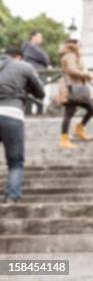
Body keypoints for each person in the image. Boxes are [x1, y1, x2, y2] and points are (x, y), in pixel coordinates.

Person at [0, 48, 45, 203]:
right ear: (18, 57)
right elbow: (41, 93)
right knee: (15, 162)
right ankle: (12, 197)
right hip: (12, 113)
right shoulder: (24, 67)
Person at [57, 39, 93, 149]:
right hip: (71, 88)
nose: (81, 48)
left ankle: (77, 130)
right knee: (70, 112)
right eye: (80, 45)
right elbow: (71, 70)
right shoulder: (70, 55)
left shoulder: (70, 55)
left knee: (91, 108)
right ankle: (64, 139)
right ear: (75, 45)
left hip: (74, 87)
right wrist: (86, 75)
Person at [21, 31, 50, 115]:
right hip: (35, 73)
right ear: (33, 37)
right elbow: (45, 58)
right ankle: (34, 113)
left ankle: (34, 113)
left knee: (36, 94)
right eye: (39, 37)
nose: (41, 39)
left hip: (37, 73)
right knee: (35, 93)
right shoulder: (30, 47)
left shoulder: (31, 47)